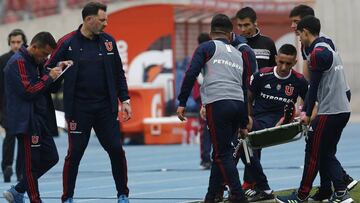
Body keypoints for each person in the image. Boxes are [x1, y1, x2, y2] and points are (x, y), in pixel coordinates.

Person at [45, 2, 132, 203]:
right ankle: (67, 198)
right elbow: (48, 69)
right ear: (88, 20)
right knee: (74, 154)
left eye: (106, 19)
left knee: (117, 151)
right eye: (102, 20)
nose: (106, 23)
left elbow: (119, 73)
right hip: (78, 110)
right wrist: (57, 70)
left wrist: (125, 100)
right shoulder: (67, 43)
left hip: (105, 109)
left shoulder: (109, 42)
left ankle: (123, 195)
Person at [276, 16, 353, 203]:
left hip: (330, 112)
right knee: (326, 152)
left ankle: (301, 196)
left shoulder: (318, 54)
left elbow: (313, 86)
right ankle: (338, 192)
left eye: (299, 34)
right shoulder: (327, 47)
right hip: (341, 109)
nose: (299, 39)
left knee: (313, 152)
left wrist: (306, 113)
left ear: (305, 32)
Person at [177, 14, 250, 203]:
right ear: (229, 33)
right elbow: (244, 87)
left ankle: (238, 195)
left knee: (221, 153)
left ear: (211, 33)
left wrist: (182, 101)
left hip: (218, 103)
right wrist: (244, 120)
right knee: (219, 152)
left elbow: (191, 72)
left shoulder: (207, 47)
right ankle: (212, 195)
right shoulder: (238, 53)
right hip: (238, 104)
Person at [2, 32, 66, 203]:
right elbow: (29, 91)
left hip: (39, 118)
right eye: (44, 54)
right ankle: (35, 200)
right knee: (31, 165)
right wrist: (48, 77)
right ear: (34, 47)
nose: (46, 58)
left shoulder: (36, 61)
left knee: (52, 157)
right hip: (26, 120)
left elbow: (49, 86)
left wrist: (60, 70)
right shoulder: (18, 62)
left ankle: (18, 190)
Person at [0, 29, 27, 183]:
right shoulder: (2, 60)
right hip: (6, 107)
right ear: (9, 43)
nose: (16, 45)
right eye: (13, 42)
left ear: (24, 42)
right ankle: (7, 167)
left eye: (19, 42)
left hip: (23, 106)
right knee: (10, 137)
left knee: (23, 140)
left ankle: (21, 171)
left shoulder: (28, 59)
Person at [192, 33, 212, 170]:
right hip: (210, 95)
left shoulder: (198, 54)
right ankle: (208, 158)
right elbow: (199, 77)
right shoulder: (209, 53)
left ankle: (205, 159)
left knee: (205, 129)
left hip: (202, 97)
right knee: (211, 129)